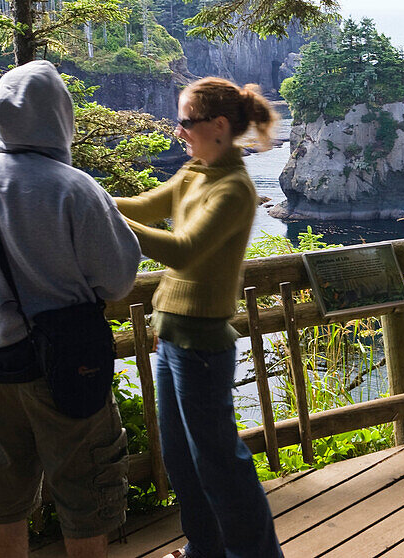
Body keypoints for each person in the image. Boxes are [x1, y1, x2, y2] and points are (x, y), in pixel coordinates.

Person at [0, 60, 140, 558]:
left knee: (4, 493)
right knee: (85, 489)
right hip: (69, 366)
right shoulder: (76, 187)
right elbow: (119, 278)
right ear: (60, 116)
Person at [114, 77, 283, 558]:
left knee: (219, 461)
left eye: (186, 122)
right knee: (182, 460)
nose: (179, 131)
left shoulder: (234, 189)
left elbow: (183, 251)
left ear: (218, 125)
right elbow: (145, 207)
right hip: (170, 338)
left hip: (204, 345)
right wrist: (88, 196)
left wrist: (105, 216)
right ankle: (204, 549)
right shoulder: (194, 173)